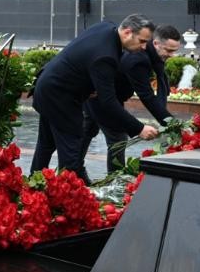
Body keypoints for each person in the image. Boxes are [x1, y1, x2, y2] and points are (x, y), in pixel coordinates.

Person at [30, 15, 160, 184]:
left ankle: (32, 188)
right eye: (142, 41)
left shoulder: (106, 27)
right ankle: (68, 199)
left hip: (47, 87)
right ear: (127, 32)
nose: (144, 47)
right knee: (71, 155)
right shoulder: (106, 56)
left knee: (46, 145)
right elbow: (108, 102)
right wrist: (139, 128)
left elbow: (83, 58)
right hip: (60, 98)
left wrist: (89, 86)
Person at [80, 25, 182, 175]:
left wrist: (167, 122)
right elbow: (147, 96)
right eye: (169, 50)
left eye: (175, 50)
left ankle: (73, 171)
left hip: (109, 95)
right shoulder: (138, 59)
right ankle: (115, 182)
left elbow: (160, 87)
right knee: (118, 138)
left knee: (88, 130)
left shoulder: (155, 53)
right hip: (102, 97)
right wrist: (172, 124)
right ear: (155, 43)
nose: (172, 55)